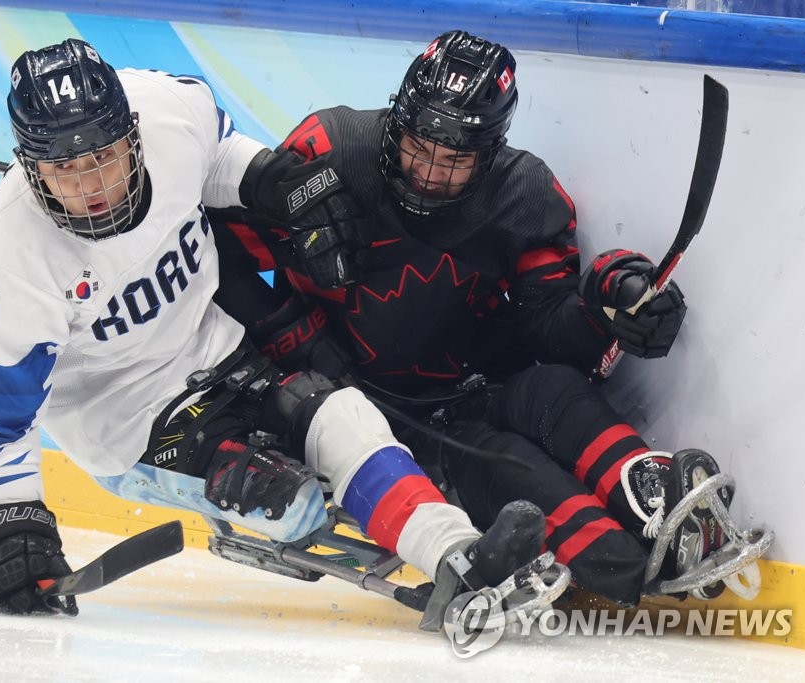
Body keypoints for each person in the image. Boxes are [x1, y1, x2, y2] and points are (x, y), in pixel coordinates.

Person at [0, 37, 549, 621]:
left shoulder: (168, 114)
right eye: (68, 169)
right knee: (284, 497)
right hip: (125, 419)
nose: (95, 186)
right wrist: (9, 525)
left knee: (339, 413)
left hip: (218, 348)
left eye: (105, 156)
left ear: (133, 134)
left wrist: (275, 181)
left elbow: (218, 161)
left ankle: (457, 556)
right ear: (30, 167)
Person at [211, 30, 770, 607]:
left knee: (555, 388)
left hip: (473, 393)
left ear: (491, 151)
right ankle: (620, 557)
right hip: (364, 419)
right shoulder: (329, 150)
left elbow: (556, 339)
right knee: (565, 517)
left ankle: (652, 493)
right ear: (396, 120)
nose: (428, 172)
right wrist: (291, 337)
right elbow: (215, 248)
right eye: (418, 147)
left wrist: (614, 301)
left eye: (453, 160)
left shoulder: (524, 194)